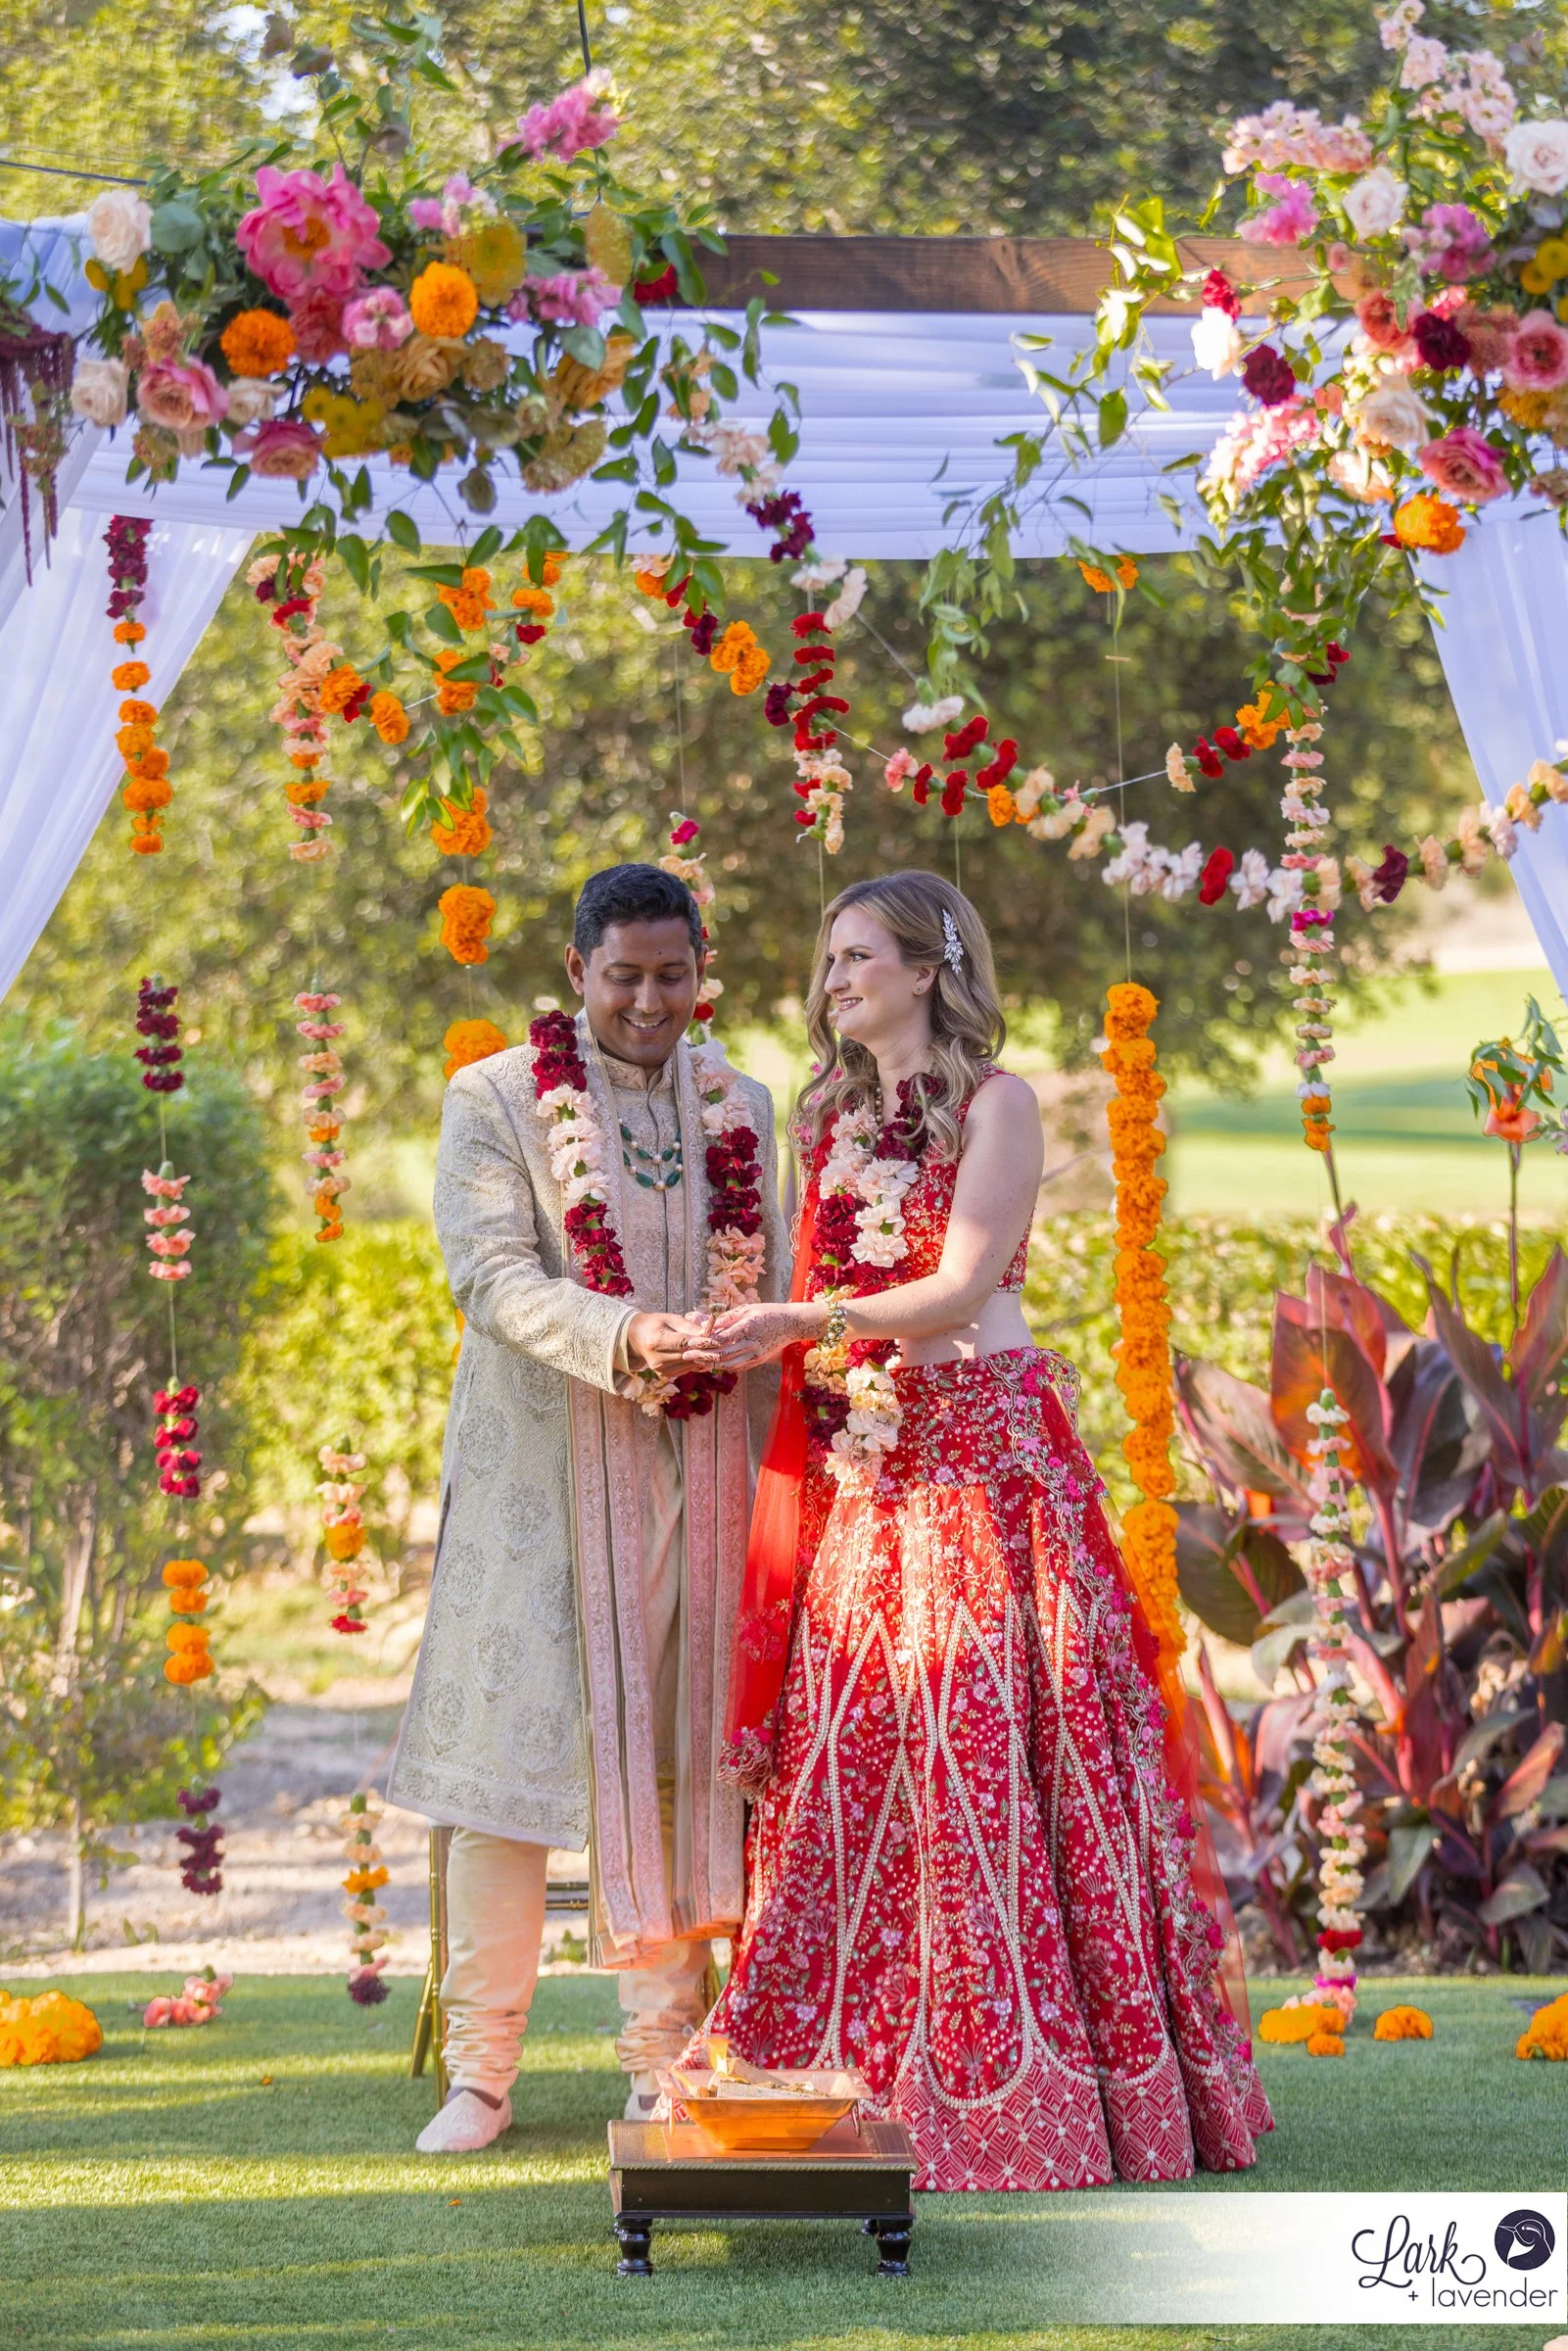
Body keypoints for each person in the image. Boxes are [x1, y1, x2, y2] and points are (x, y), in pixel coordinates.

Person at [700, 869, 1273, 2191]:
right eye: (829, 959)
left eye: (855, 957)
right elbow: (828, 1281)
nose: (832, 981)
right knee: (856, 1747)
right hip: (873, 1463)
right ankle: (851, 2062)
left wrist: (795, 1328)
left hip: (983, 1460)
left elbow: (960, 1285)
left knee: (995, 1746)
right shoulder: (827, 1114)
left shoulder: (999, 1105)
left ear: (928, 966)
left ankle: (1044, 2086)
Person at [388, 862, 789, 2153]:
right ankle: (481, 2076)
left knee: (681, 1770)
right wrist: (630, 1334)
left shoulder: (744, 1103)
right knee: (510, 1779)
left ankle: (660, 2061)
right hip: (544, 1490)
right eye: (625, 976)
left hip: (702, 1484)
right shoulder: (496, 1099)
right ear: (577, 973)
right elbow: (488, 1277)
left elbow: (769, 1277)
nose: (651, 1000)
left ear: (701, 966)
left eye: (674, 975)